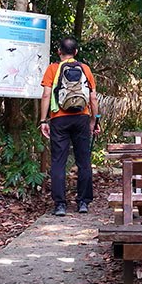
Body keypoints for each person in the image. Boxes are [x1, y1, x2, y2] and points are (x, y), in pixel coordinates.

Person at [39, 37, 100, 216]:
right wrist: (94, 121)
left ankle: (60, 205)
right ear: (76, 52)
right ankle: (83, 202)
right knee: (84, 161)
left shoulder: (53, 69)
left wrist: (44, 120)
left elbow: (45, 95)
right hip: (81, 118)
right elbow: (93, 98)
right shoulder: (85, 69)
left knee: (59, 162)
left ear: (59, 51)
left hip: (59, 119)